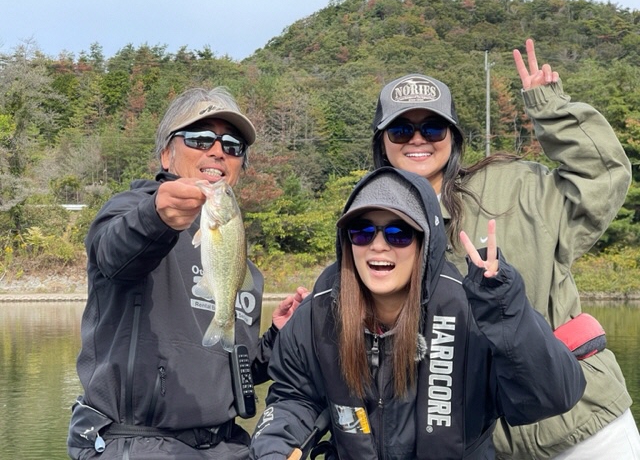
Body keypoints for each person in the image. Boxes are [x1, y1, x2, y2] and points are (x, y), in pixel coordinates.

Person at [366, 39, 640, 458]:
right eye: (401, 129)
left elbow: (602, 177)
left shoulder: (515, 185)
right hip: (489, 443)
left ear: (453, 136)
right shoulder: (375, 229)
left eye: (432, 127)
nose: (417, 139)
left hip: (587, 426)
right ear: (382, 141)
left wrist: (551, 108)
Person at [250, 167, 586, 459]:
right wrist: (274, 445)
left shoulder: (474, 313)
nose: (378, 245)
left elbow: (551, 396)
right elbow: (293, 397)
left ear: (425, 242)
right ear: (347, 242)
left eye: (399, 233)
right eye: (362, 231)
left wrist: (506, 310)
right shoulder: (316, 314)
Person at [67, 86, 301, 459]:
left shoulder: (240, 265)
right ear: (166, 154)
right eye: (200, 137)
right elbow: (113, 254)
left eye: (233, 145)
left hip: (228, 446)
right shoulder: (131, 210)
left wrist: (276, 338)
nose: (218, 150)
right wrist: (154, 217)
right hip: (139, 442)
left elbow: (232, 366)